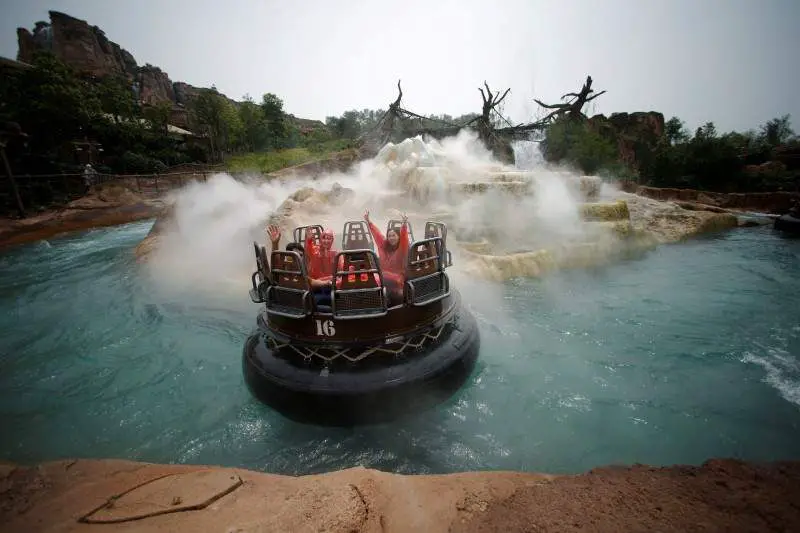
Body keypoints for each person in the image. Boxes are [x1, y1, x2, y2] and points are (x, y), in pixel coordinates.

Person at [364, 210, 409, 302]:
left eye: (394, 235)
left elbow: (404, 239)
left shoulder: (402, 248)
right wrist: (369, 222)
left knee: (383, 282)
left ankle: (383, 300)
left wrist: (404, 225)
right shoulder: (384, 246)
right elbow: (377, 235)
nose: (391, 238)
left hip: (397, 278)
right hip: (383, 276)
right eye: (389, 236)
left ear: (398, 237)